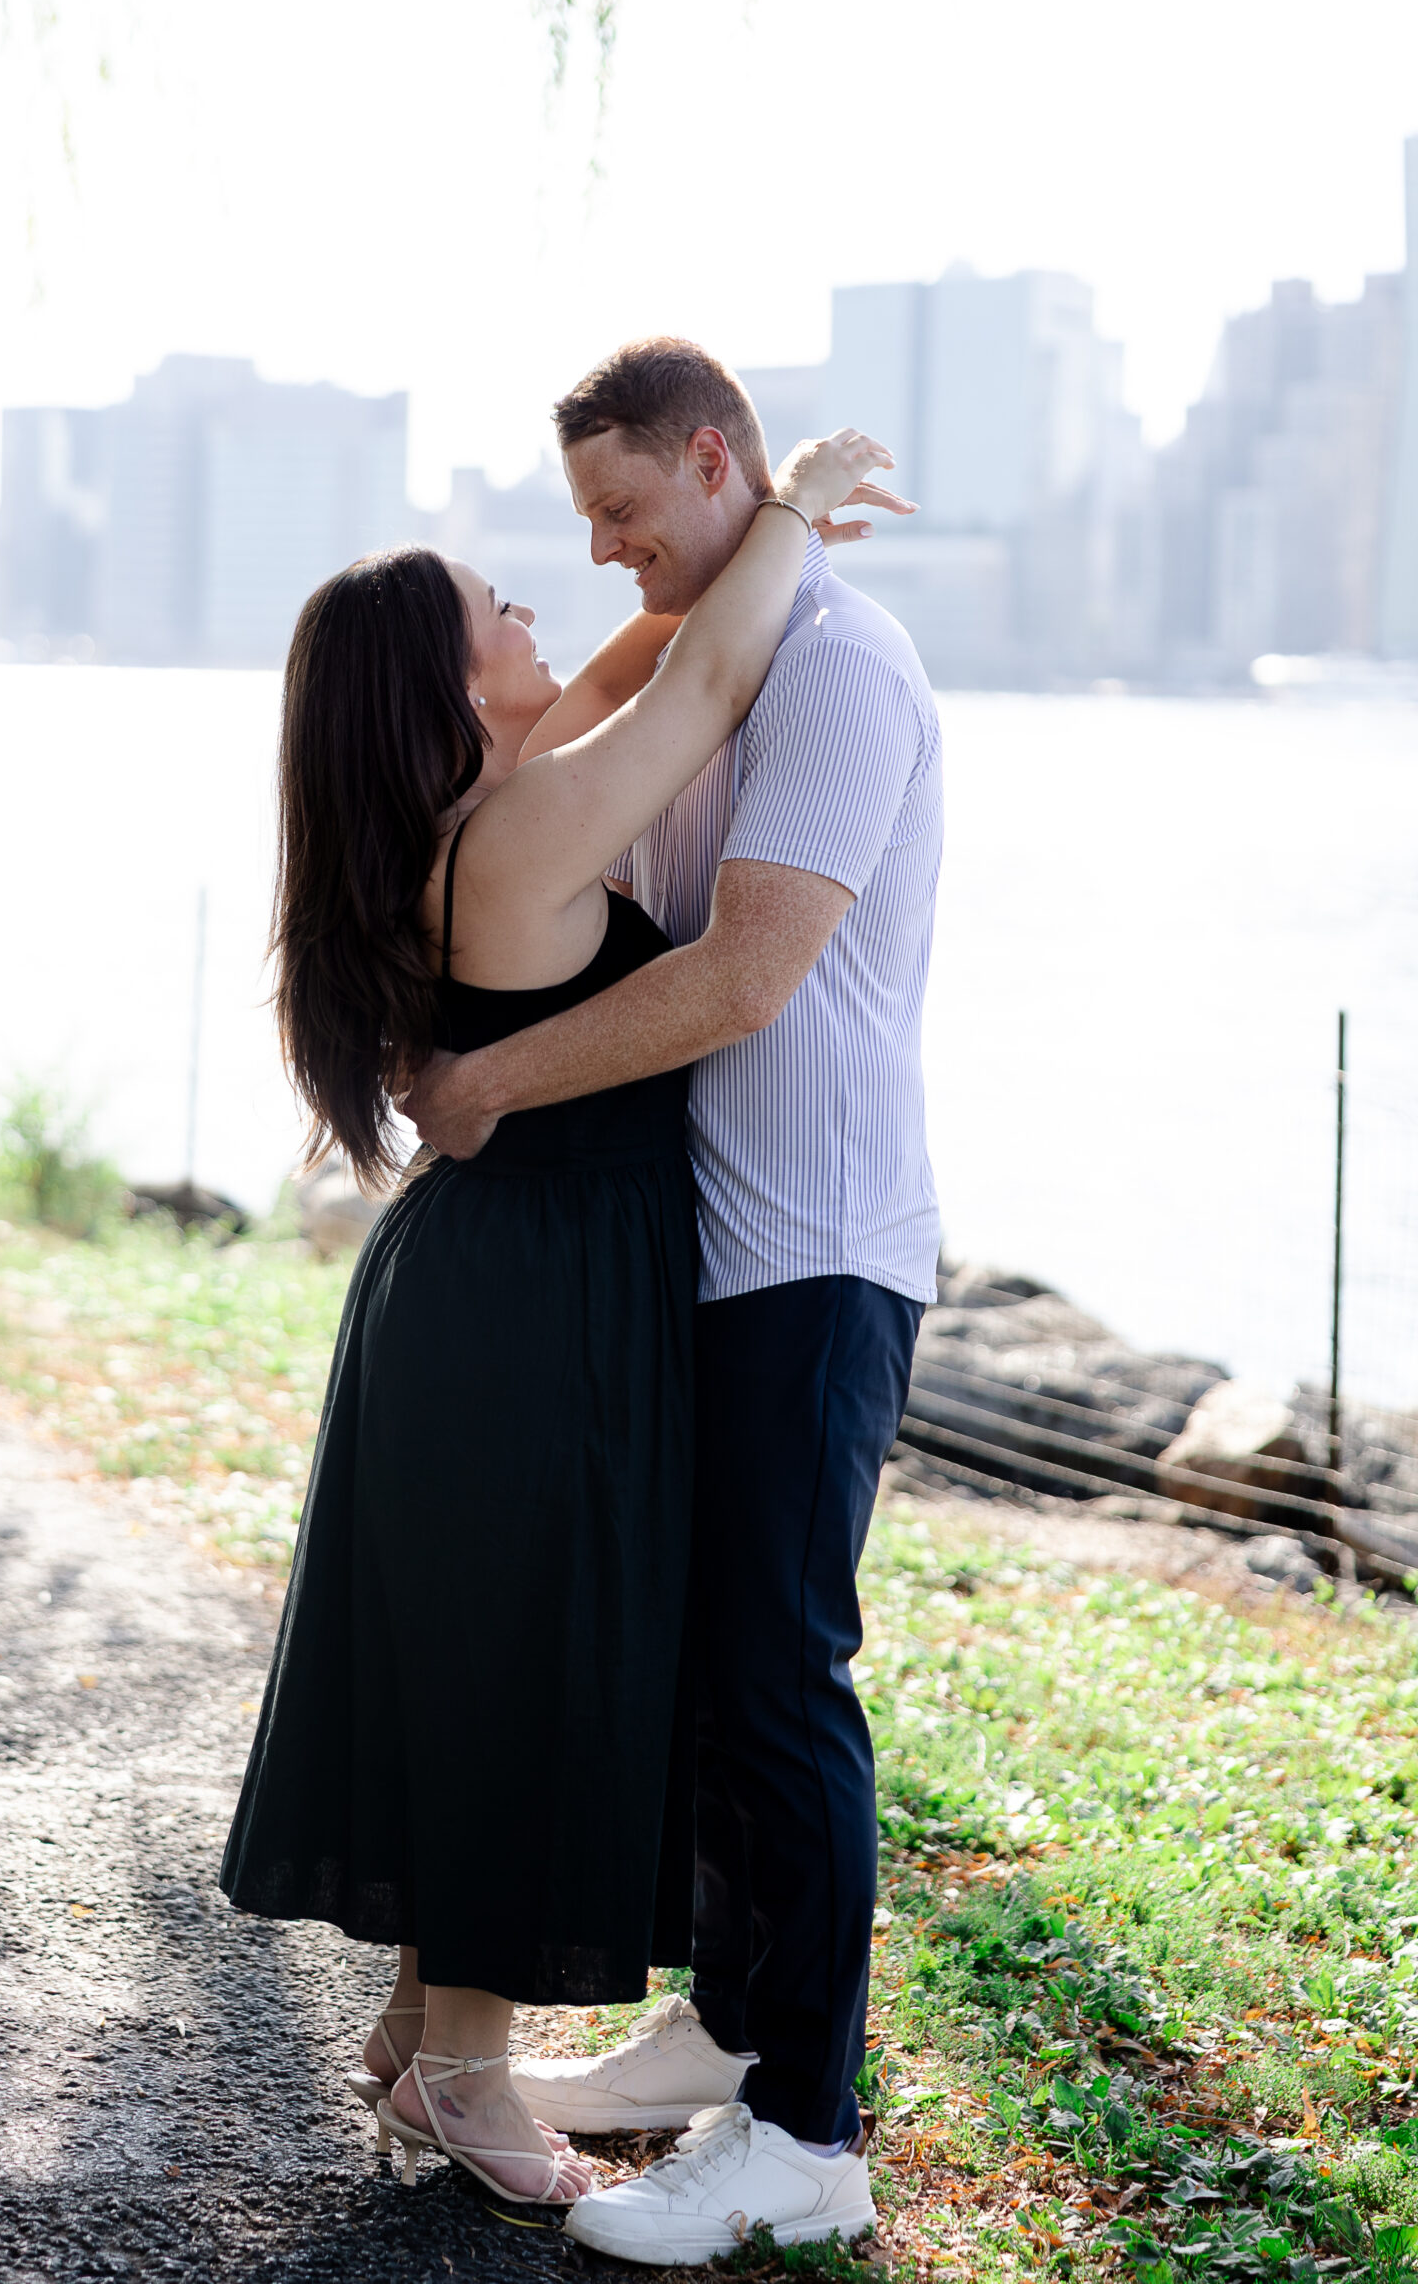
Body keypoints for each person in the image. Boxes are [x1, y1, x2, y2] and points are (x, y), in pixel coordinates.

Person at [218, 424, 897, 2212]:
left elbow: (640, 658)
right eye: (491, 607)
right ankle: (461, 2068)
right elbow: (713, 670)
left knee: (479, 1653)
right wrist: (802, 509)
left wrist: (735, 536)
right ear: (446, 685)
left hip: (498, 1282)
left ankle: (417, 2030)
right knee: (520, 1671)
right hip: (529, 1303)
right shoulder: (518, 829)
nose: (540, 604)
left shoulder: (471, 808)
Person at [405, 335, 944, 2265]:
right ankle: (723, 2026)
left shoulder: (837, 666)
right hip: (698, 1256)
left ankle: (806, 2137)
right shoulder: (698, 663)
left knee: (781, 1684)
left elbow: (742, 980)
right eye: (589, 530)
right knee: (711, 1686)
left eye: (630, 514)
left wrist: (481, 1087)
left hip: (814, 1241)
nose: (615, 555)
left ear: (716, 462)